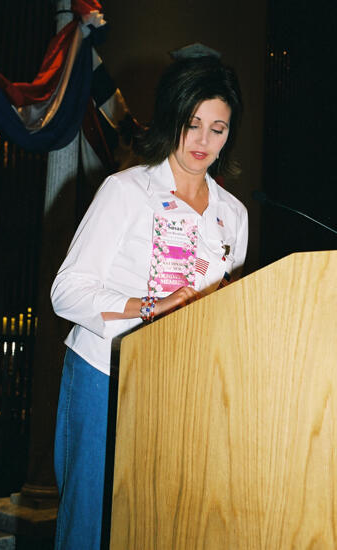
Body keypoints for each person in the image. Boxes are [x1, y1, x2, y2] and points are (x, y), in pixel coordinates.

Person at [51, 52, 248, 550]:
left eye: (218, 129)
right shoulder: (127, 190)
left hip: (181, 385)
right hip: (105, 376)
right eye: (193, 124)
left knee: (157, 523)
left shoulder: (234, 215)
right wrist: (149, 307)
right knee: (89, 527)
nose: (204, 142)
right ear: (172, 119)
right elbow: (67, 292)